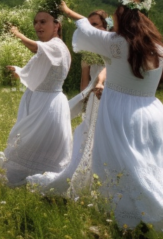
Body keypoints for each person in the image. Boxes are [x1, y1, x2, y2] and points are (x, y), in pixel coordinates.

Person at [60, 0, 163, 231]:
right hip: (152, 112)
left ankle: (124, 220)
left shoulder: (116, 44)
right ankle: (157, 207)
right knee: (150, 162)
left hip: (120, 111)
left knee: (118, 165)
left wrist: (68, 12)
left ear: (122, 17)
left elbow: (88, 31)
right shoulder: (159, 50)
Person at [27, 10, 109, 198]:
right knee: (89, 132)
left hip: (110, 91)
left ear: (105, 26)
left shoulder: (110, 46)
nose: (92, 28)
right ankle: (87, 173)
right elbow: (84, 79)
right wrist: (84, 98)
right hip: (92, 93)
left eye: (95, 25)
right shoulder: (88, 52)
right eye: (90, 24)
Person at [0, 11, 73, 187]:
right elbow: (34, 71)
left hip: (48, 104)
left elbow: (35, 47)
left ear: (56, 25)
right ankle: (35, 180)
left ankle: (46, 182)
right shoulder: (49, 49)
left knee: (32, 142)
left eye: (43, 22)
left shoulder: (56, 46)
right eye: (36, 22)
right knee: (29, 141)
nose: (38, 26)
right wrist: (19, 72)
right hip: (39, 100)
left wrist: (17, 34)